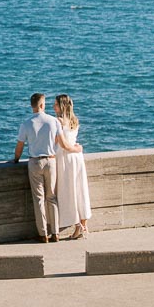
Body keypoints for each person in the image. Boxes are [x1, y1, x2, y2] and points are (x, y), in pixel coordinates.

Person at [13, 92, 82, 242]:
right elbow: (63, 143)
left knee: (39, 199)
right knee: (52, 197)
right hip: (51, 161)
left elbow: (19, 147)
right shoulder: (53, 121)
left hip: (34, 162)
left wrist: (16, 159)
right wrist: (76, 148)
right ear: (42, 105)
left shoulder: (26, 123)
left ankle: (43, 233)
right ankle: (55, 232)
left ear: (32, 106)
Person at [53, 93, 92, 238]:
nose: (53, 106)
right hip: (77, 158)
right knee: (80, 189)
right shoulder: (74, 120)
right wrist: (78, 149)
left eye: (55, 104)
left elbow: (62, 144)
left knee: (69, 192)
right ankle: (83, 227)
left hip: (65, 159)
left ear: (61, 106)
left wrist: (74, 148)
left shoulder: (58, 121)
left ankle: (77, 226)